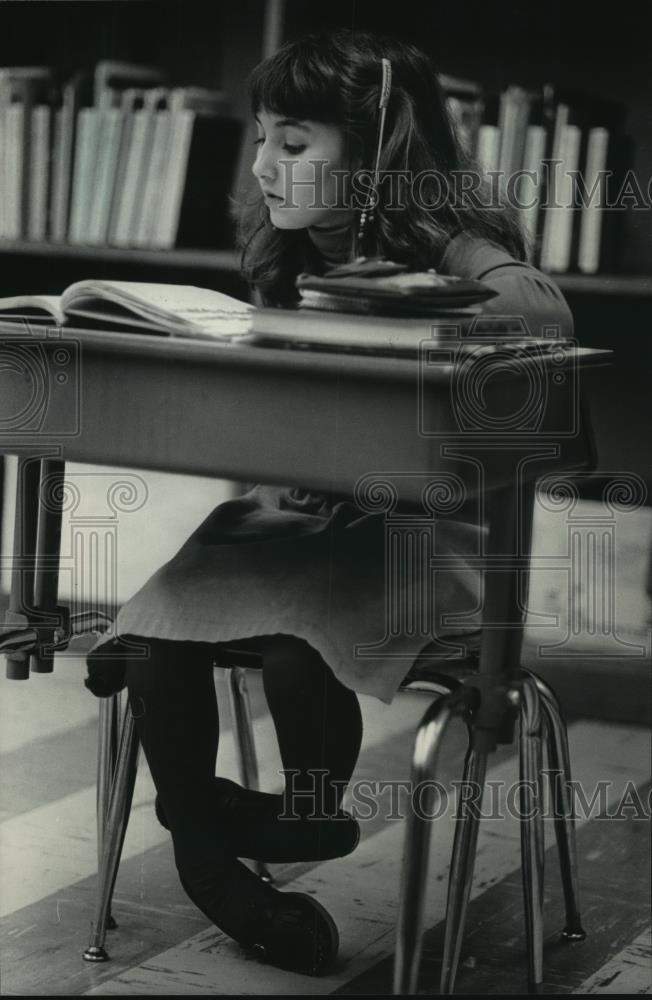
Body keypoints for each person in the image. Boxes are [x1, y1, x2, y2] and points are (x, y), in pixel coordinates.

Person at [85, 29, 574, 976]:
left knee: (290, 640)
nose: (266, 165)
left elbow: (545, 314)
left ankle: (296, 819)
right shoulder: (286, 251)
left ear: (382, 150)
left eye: (296, 144)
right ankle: (216, 862)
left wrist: (422, 293)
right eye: (263, 138)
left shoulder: (457, 244)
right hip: (307, 525)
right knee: (150, 636)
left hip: (424, 543)